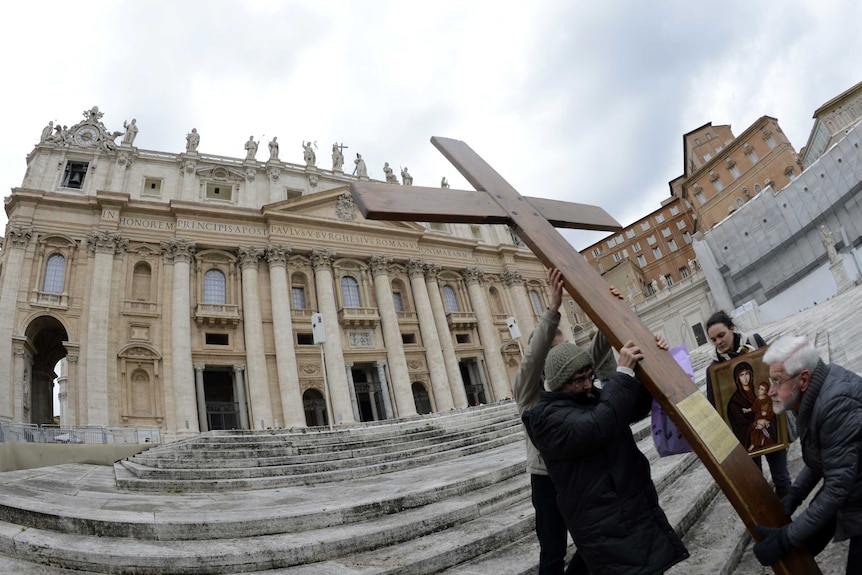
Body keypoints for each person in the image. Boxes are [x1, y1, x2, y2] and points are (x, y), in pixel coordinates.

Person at [522, 319, 689, 574]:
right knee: (554, 550)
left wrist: (652, 361)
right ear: (558, 382)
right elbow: (597, 424)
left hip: (626, 510)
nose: (588, 384)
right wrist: (622, 374)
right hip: (603, 521)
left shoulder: (585, 397)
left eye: (589, 377)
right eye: (578, 380)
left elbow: (629, 407)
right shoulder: (546, 417)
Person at [513, 268, 618, 574]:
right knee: (552, 552)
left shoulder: (575, 386)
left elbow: (595, 354)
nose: (563, 357)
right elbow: (531, 359)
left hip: (578, 474)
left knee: (594, 542)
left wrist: (608, 312)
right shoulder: (528, 394)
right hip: (546, 479)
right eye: (553, 351)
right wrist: (552, 311)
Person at [752, 334, 862, 572]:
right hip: (853, 486)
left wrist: (785, 539)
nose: (770, 391)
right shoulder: (812, 394)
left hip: (855, 493)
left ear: (803, 379)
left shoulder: (836, 403)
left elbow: (836, 488)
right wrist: (795, 495)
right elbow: (822, 457)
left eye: (777, 381)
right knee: (801, 548)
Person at [705, 310, 791, 496]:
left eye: (721, 335)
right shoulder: (714, 368)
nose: (719, 342)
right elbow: (715, 405)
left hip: (771, 426)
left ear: (732, 329)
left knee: (782, 478)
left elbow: (776, 370)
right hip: (743, 436)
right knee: (756, 485)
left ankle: (791, 520)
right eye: (713, 339)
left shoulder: (754, 342)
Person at [748, 381, 775, 451]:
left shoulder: (768, 400)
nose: (760, 391)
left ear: (765, 391)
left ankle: (756, 442)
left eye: (762, 389)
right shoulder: (757, 400)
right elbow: (754, 408)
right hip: (758, 417)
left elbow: (771, 409)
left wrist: (767, 413)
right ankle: (758, 441)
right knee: (756, 430)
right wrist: (748, 410)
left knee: (758, 429)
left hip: (766, 417)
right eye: (759, 389)